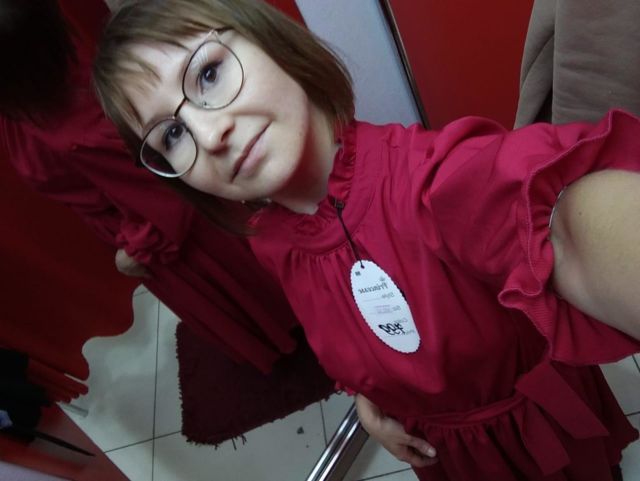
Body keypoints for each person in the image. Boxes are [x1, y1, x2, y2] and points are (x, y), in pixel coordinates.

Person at [93, 0, 640, 479]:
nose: (210, 135)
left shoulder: (437, 183)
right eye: (172, 134)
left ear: (269, 39)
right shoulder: (271, 238)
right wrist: (370, 395)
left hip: (535, 442)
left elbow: (562, 227)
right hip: (448, 453)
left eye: (208, 74)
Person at [0, 0, 303, 375]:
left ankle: (290, 334)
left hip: (168, 234)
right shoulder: (55, 63)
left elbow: (163, 197)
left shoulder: (79, 134)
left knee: (245, 291)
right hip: (147, 217)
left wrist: (134, 252)